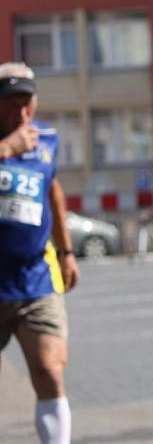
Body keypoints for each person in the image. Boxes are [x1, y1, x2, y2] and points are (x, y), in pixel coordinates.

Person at [0, 62, 80, 444]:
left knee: (50, 371)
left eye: (26, 103)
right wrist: (6, 149)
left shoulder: (46, 138)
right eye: (9, 103)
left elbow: (53, 191)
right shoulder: (12, 142)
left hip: (34, 277)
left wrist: (66, 251)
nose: (20, 113)